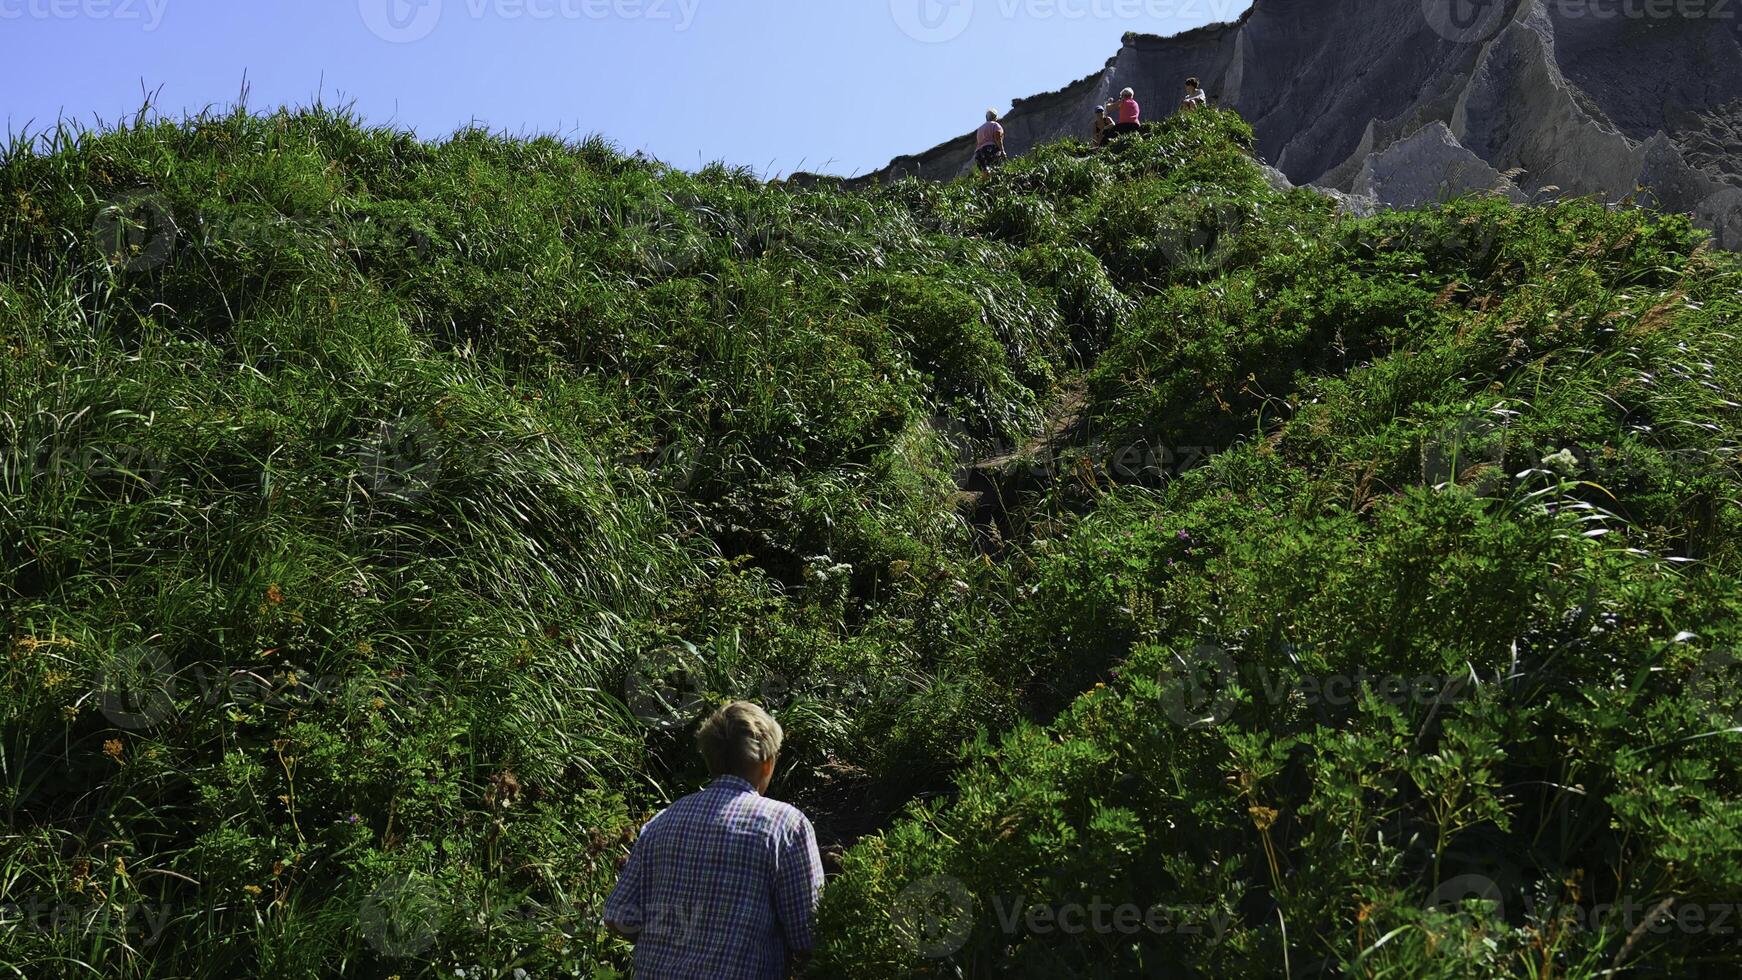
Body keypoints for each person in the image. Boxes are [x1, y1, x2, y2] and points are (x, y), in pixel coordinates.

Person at [605, 701, 826, 980]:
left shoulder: (662, 821)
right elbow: (810, 935)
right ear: (767, 763)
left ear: (710, 758)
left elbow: (617, 916)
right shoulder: (785, 825)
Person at [975, 109, 1006, 175]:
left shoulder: (980, 129)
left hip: (978, 153)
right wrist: (1002, 151)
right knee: (995, 170)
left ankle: (985, 183)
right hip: (990, 150)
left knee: (985, 171)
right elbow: (998, 139)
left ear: (986, 117)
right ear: (995, 117)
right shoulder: (996, 125)